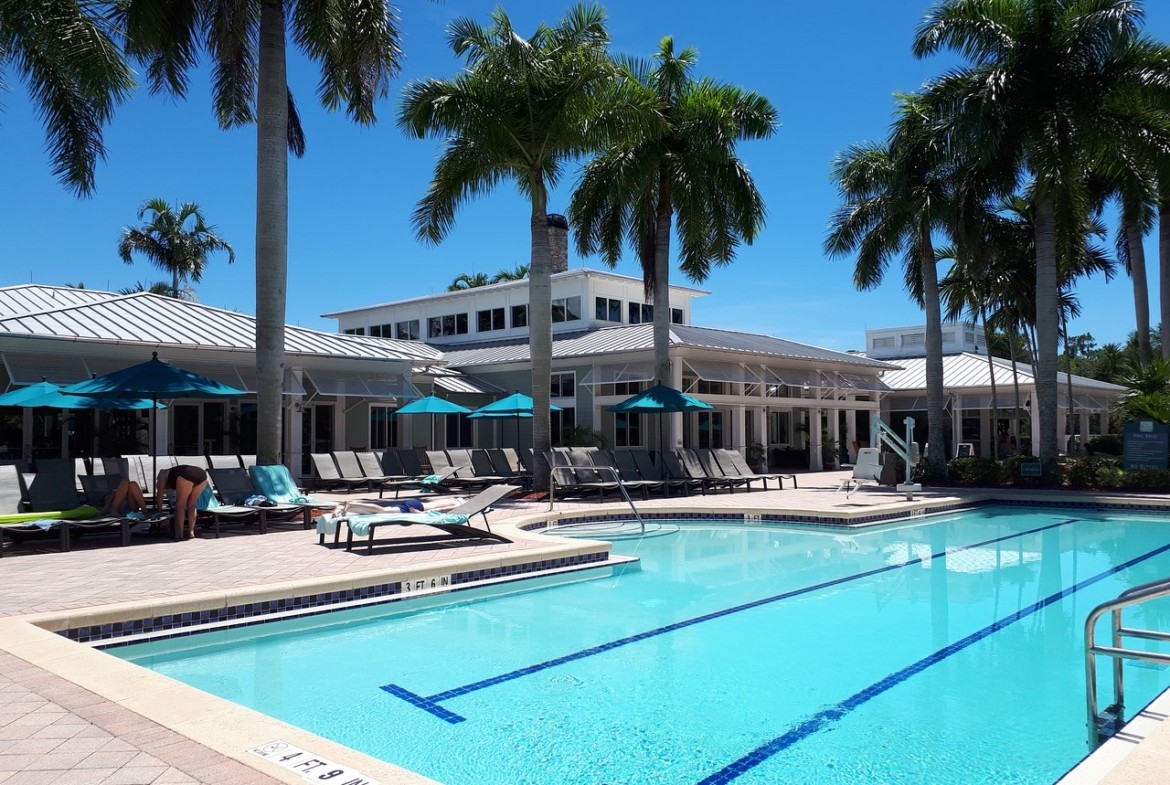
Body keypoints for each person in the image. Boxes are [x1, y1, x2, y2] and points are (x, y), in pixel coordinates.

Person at [156, 464, 209, 540]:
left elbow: (159, 494)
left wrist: (159, 511)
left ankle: (180, 533)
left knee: (180, 505)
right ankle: (191, 532)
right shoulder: (172, 472)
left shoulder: (162, 475)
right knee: (192, 505)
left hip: (186, 475)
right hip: (202, 475)